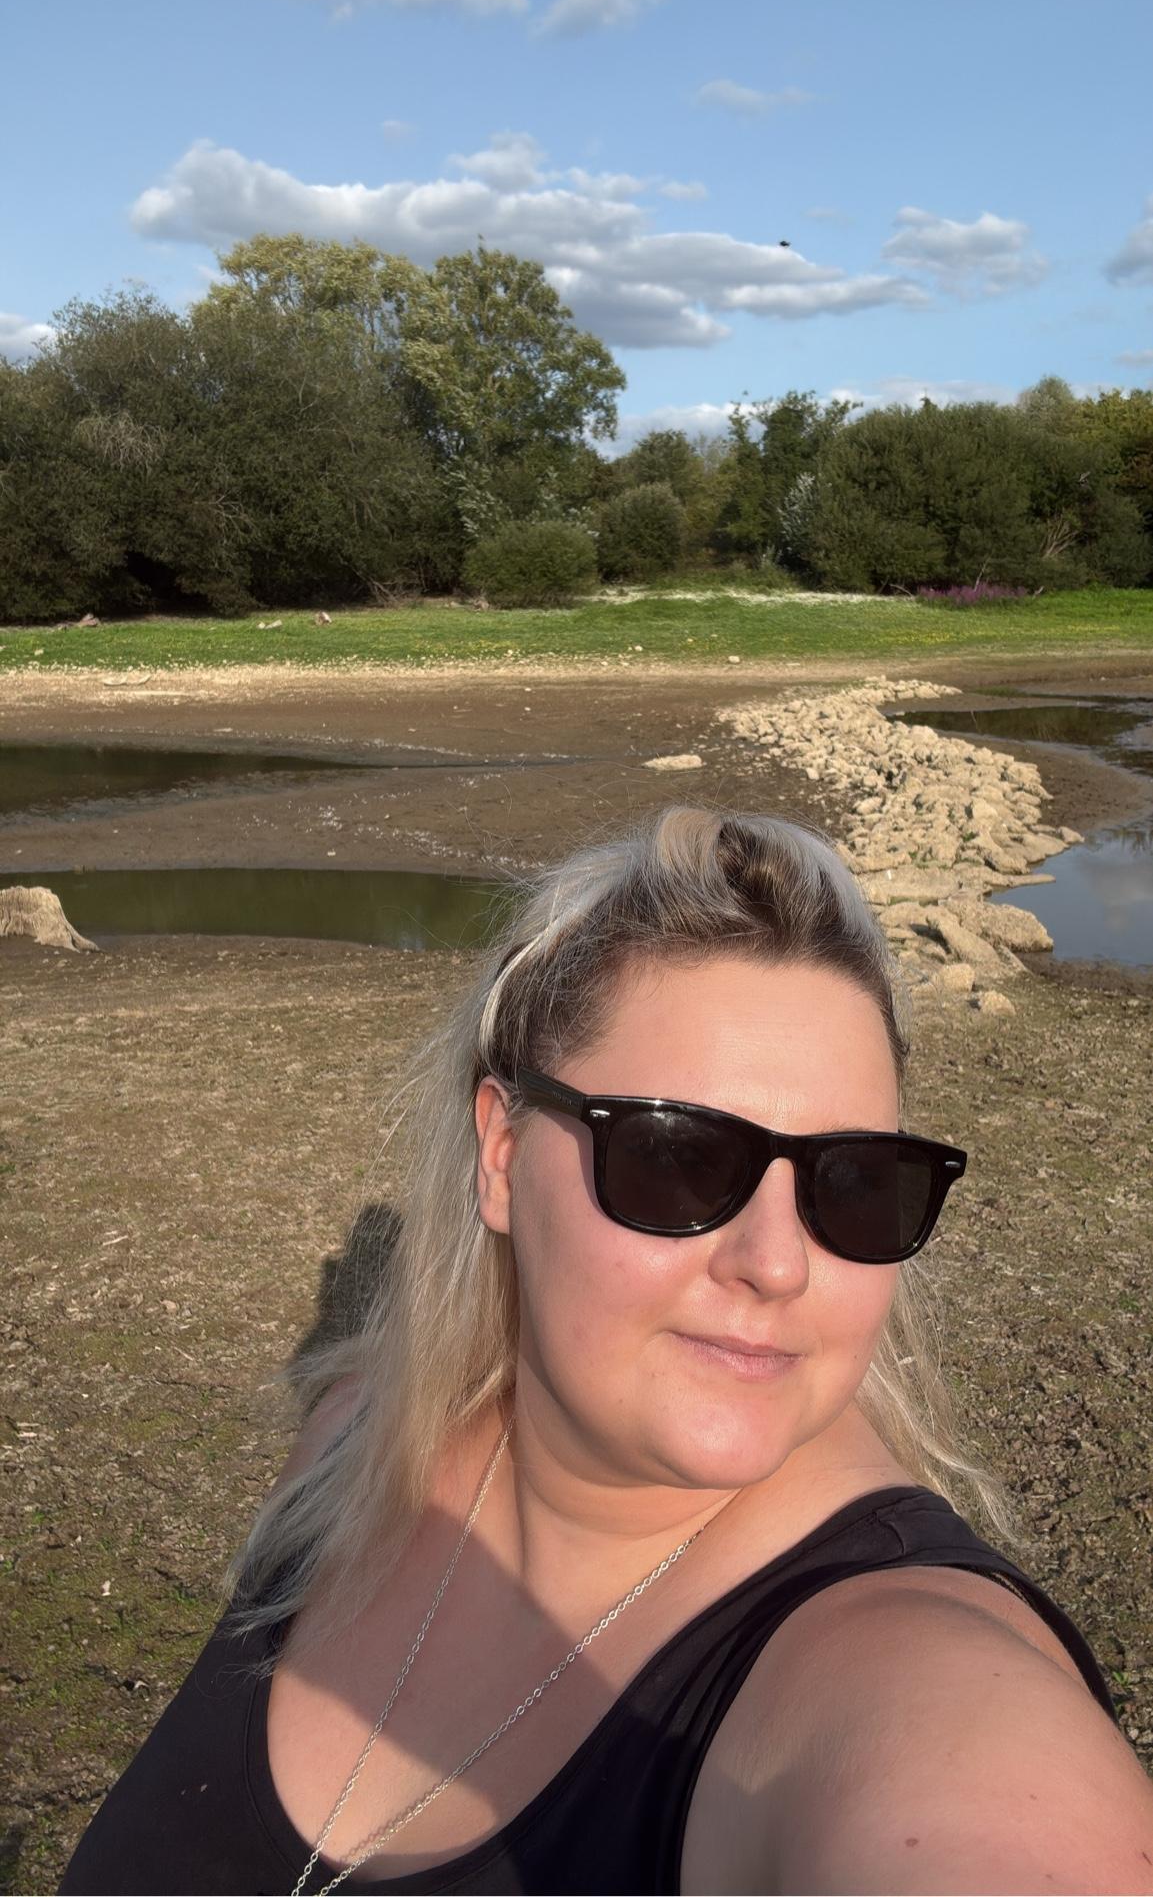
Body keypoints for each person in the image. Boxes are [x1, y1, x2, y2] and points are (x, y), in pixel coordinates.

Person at [60, 808, 1153, 1895]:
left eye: (854, 1181)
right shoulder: (348, 1451)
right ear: (501, 1152)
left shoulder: (913, 1682)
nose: (776, 1264)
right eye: (676, 1158)